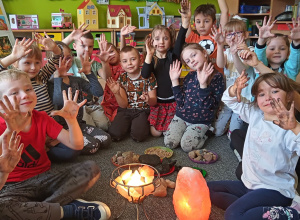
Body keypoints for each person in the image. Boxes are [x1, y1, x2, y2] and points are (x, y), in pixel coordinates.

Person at [0, 69, 111, 220]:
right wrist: (4, 170)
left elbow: (76, 145)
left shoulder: (42, 118)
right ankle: (65, 211)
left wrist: (71, 121)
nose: (25, 95)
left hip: (45, 177)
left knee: (91, 168)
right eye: (15, 93)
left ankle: (42, 211)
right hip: (12, 186)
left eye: (28, 89)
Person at [208, 71, 300, 220]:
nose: (268, 97)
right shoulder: (255, 113)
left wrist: (295, 128)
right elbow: (228, 99)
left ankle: (294, 213)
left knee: (233, 215)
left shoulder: (290, 129)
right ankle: (252, 209)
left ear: (289, 95)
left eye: (275, 91)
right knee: (205, 189)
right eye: (261, 94)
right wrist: (235, 88)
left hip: (275, 190)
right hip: (248, 184)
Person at [48, 42, 112, 155]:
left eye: (68, 58)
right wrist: (58, 77)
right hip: (63, 128)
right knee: (94, 145)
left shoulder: (75, 80)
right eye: (61, 59)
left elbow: (98, 92)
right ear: (53, 61)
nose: (66, 62)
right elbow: (58, 101)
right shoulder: (52, 82)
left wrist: (89, 73)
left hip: (79, 124)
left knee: (106, 139)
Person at [141, 0, 191, 137]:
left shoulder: (173, 56)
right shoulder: (151, 58)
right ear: (151, 41)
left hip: (174, 102)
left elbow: (181, 36)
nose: (161, 42)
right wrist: (149, 55)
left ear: (171, 41)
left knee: (170, 132)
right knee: (156, 133)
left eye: (165, 38)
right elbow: (145, 74)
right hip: (158, 103)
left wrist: (185, 19)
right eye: (157, 39)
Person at [164, 43, 224, 152]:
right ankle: (186, 130)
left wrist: (203, 85)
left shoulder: (217, 77)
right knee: (169, 143)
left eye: (193, 55)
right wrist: (174, 81)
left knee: (187, 146)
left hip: (201, 121)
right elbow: (180, 102)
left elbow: (211, 106)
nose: (191, 60)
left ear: (204, 53)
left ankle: (207, 132)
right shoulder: (190, 76)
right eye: (187, 61)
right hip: (182, 117)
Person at [210, 17, 256, 138]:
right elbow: (220, 64)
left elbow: (243, 70)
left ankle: (237, 124)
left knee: (233, 135)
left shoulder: (250, 50)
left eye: (238, 33)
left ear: (246, 35)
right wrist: (219, 45)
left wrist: (235, 54)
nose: (233, 37)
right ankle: (230, 121)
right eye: (229, 34)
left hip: (243, 100)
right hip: (229, 98)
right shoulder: (226, 52)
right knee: (217, 132)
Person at [63, 26, 110, 131]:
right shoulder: (70, 61)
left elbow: (107, 78)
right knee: (91, 128)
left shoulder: (94, 64)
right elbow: (58, 49)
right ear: (74, 46)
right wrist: (71, 37)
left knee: (104, 127)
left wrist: (105, 62)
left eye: (90, 47)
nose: (87, 50)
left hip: (93, 104)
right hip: (78, 107)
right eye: (83, 46)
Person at [107, 46, 157, 142]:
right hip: (126, 110)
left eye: (133, 59)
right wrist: (116, 93)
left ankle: (134, 125)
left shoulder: (149, 76)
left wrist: (148, 100)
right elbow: (123, 105)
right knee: (114, 134)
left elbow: (154, 101)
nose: (129, 63)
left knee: (139, 136)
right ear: (121, 64)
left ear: (141, 59)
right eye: (125, 61)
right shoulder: (122, 78)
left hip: (142, 110)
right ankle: (129, 124)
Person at [185, 0, 229, 73]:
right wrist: (186, 15)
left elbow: (225, 12)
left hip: (215, 78)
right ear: (194, 23)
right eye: (198, 21)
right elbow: (185, 20)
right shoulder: (193, 38)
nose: (202, 25)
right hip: (197, 78)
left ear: (214, 22)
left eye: (206, 21)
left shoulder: (217, 35)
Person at [255, 16, 300, 81]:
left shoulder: (290, 69)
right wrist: (261, 40)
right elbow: (259, 57)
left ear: (288, 52)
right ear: (264, 51)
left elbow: (295, 57)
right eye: (272, 49)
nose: (277, 51)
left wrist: (296, 42)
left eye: (282, 49)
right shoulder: (261, 66)